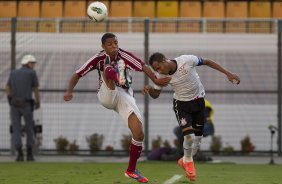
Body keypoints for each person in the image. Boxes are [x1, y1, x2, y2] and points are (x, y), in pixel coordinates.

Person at [63, 33, 170, 183]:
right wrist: (69, 91)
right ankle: (114, 77)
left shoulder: (125, 55)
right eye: (110, 44)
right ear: (103, 46)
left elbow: (143, 66)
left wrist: (156, 79)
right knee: (107, 67)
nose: (114, 46)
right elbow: (77, 74)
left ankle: (131, 170)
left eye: (115, 43)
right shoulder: (98, 58)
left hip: (124, 95)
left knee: (139, 134)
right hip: (107, 93)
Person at [143, 52, 240, 182]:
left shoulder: (186, 60)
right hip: (181, 105)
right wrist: (150, 89)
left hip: (199, 102)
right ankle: (188, 162)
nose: (158, 71)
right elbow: (156, 95)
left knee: (196, 142)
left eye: (159, 67)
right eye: (155, 70)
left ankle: (185, 160)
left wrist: (228, 73)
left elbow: (208, 61)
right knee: (189, 136)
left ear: (164, 60)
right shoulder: (161, 76)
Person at [5, 54, 40, 162]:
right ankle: (29, 155)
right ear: (28, 63)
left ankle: (19, 155)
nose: (34, 65)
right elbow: (35, 89)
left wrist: (10, 99)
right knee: (29, 128)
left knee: (16, 129)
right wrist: (38, 101)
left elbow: (7, 87)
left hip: (14, 104)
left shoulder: (13, 72)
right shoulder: (32, 73)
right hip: (26, 104)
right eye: (33, 63)